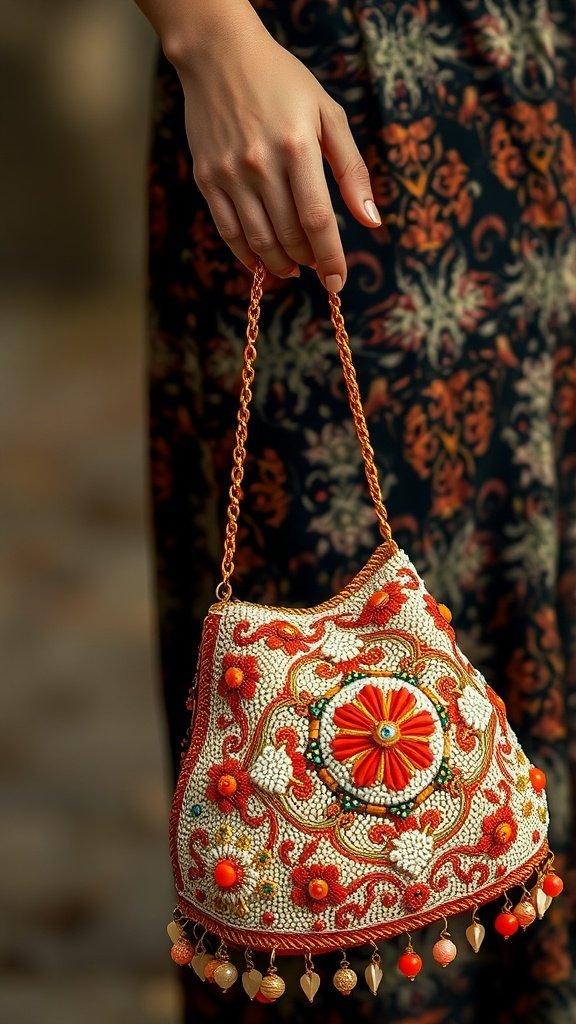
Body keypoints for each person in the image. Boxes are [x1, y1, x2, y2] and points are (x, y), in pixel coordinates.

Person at [135, 1, 576, 1021]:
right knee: (306, 746)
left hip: (527, 100)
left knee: (523, 641)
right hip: (315, 111)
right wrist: (210, 37)